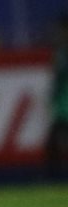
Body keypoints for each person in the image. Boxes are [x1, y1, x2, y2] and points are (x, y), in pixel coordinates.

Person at [48, 13, 68, 180]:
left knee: (54, 145)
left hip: (64, 107)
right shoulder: (61, 51)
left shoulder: (63, 53)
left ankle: (56, 180)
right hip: (62, 106)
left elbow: (57, 77)